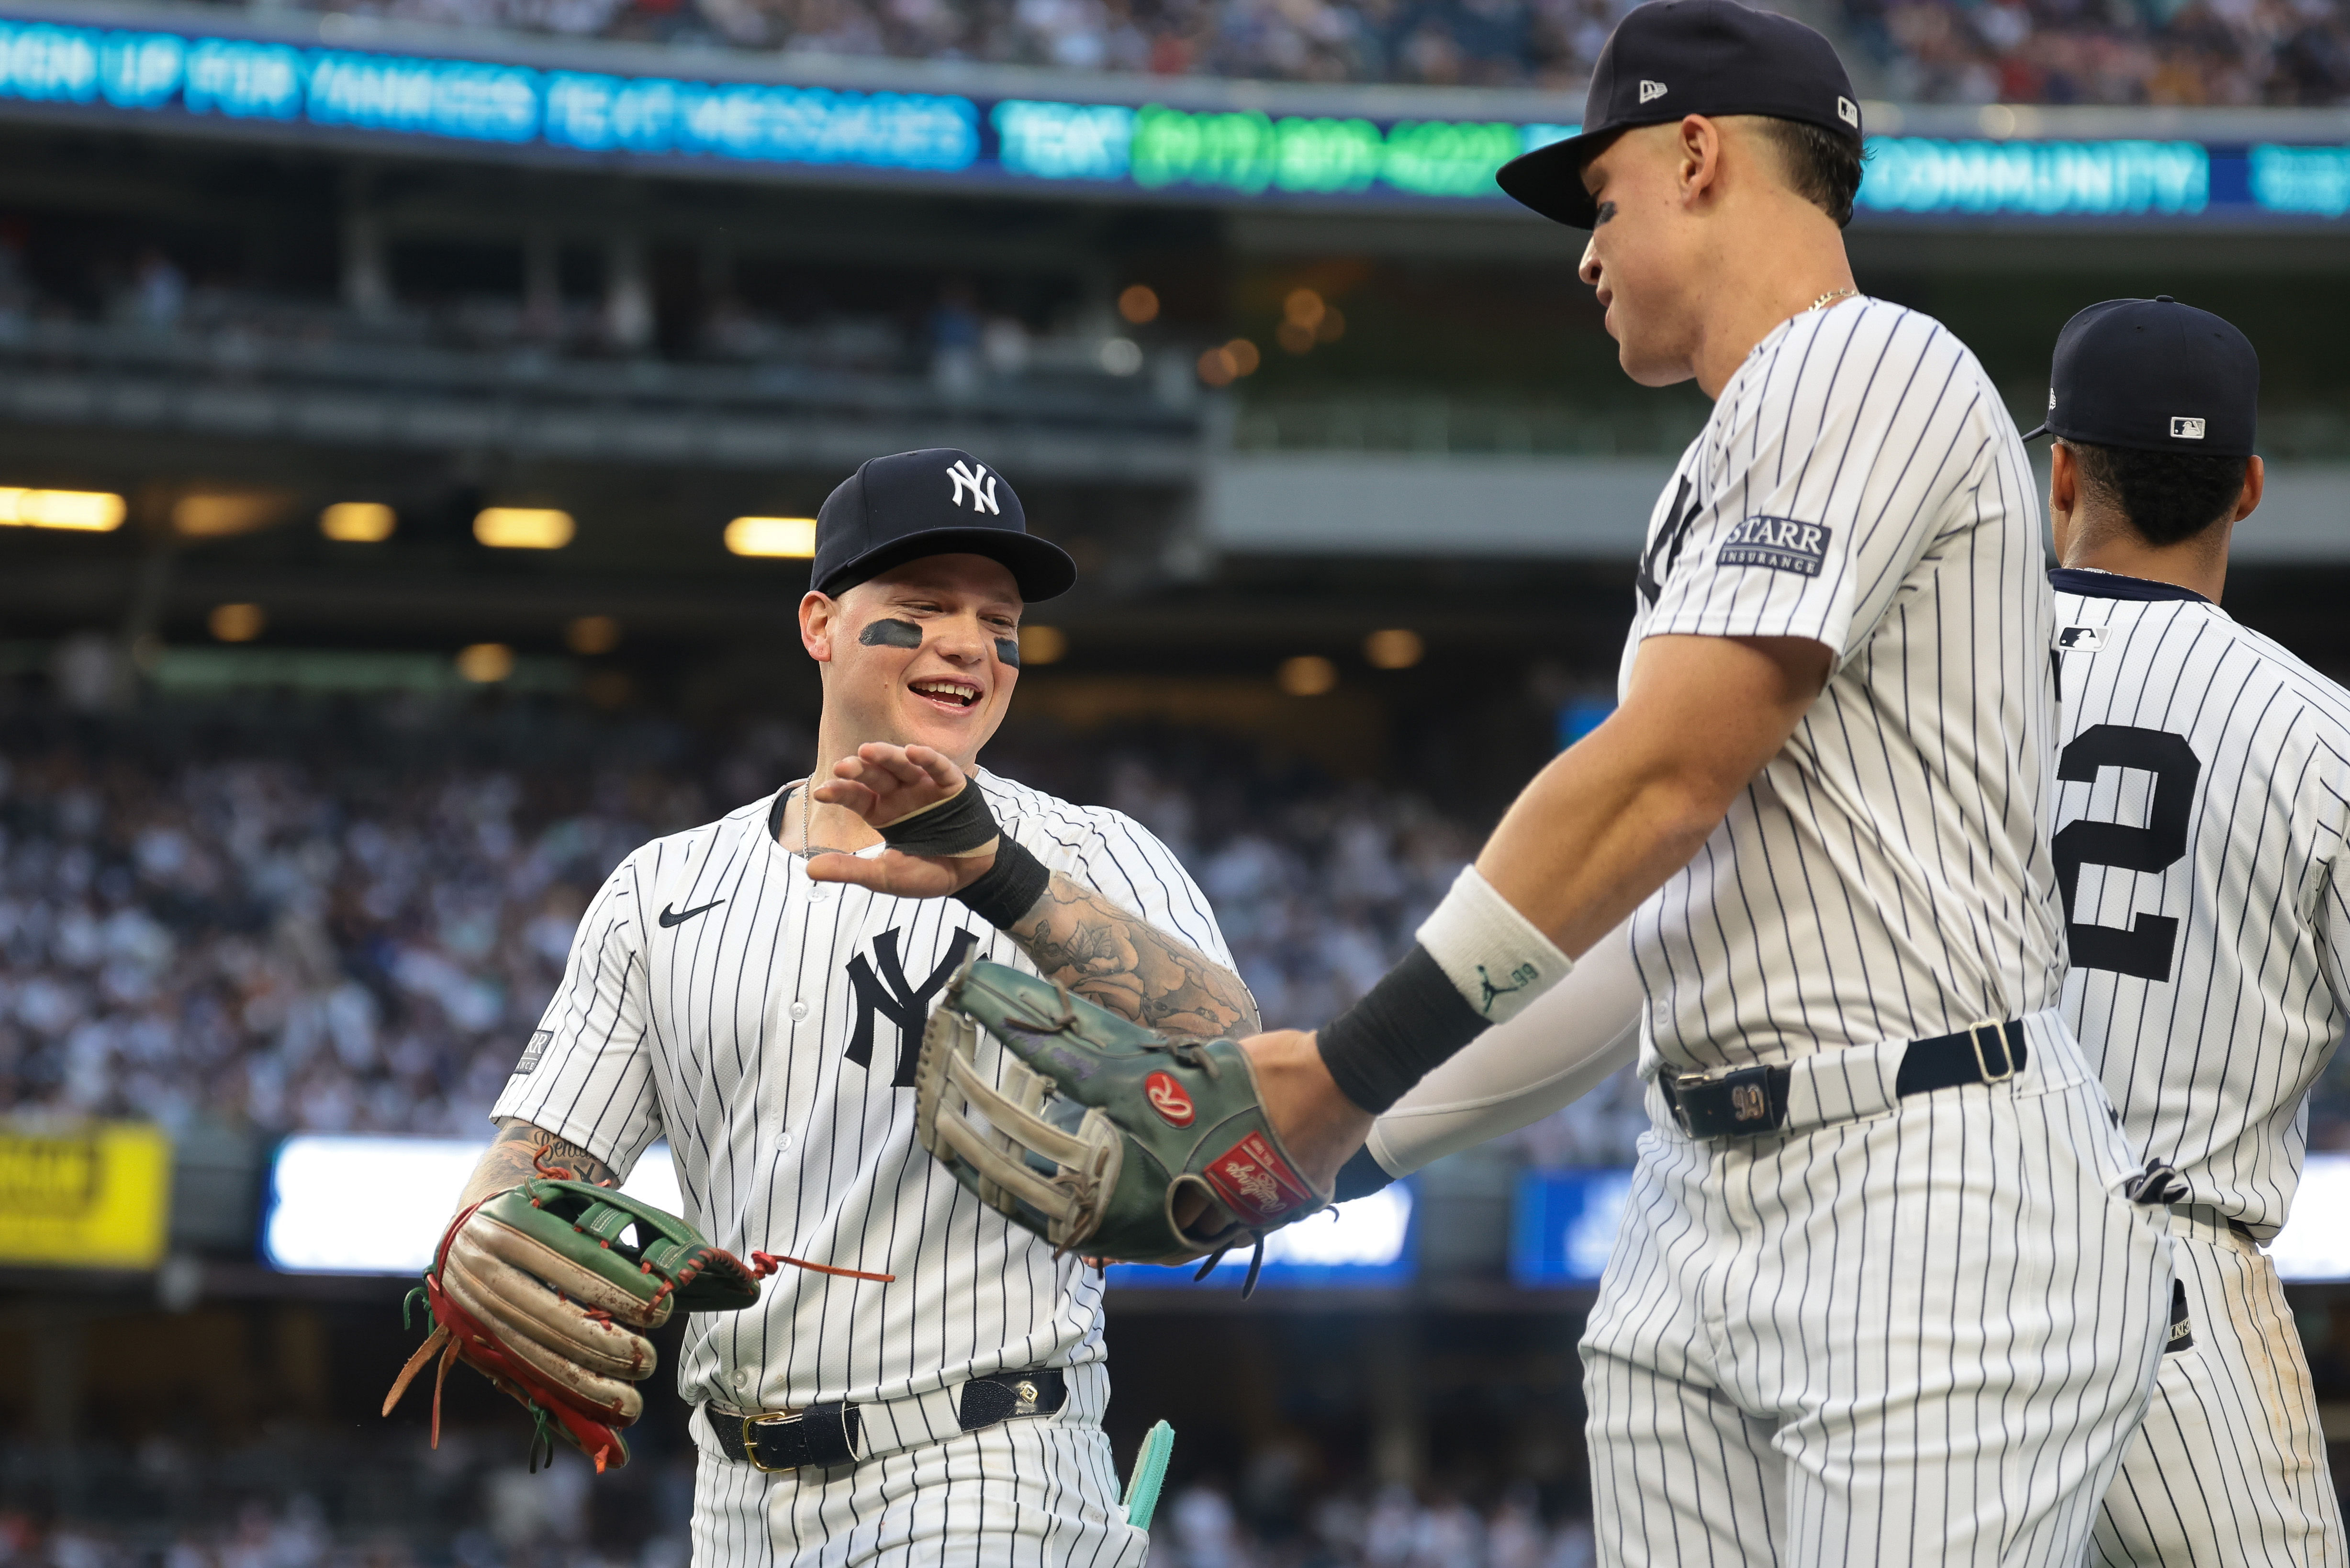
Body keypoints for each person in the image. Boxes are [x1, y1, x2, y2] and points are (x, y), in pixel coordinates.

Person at [1149, 3, 2173, 1562]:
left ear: (1699, 155)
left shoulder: (1868, 361)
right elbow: (1647, 926)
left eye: (1603, 193)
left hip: (1931, 1184)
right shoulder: (1727, 464)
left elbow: (1660, 780)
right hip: (1702, 1193)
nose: (1585, 249)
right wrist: (1336, 1151)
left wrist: (1347, 1065)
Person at [443, 447, 1253, 1566]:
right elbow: (542, 1163)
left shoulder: (1088, 853)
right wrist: (478, 1228)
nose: (969, 643)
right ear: (821, 623)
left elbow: (1247, 1069)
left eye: (998, 620)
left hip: (989, 1460)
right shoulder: (663, 887)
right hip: (732, 1496)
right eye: (921, 609)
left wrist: (1002, 881)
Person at [2026, 297, 2347, 1567]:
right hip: (2180, 1304)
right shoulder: (2319, 735)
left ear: (2058, 468)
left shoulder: (1920, 679)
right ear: (2247, 487)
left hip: (1922, 1271)